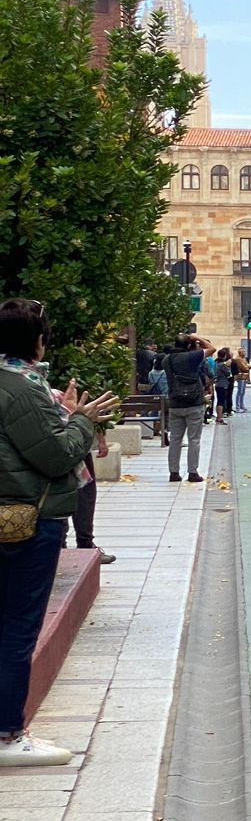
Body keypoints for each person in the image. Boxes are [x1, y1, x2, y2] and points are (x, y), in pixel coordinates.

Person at [0, 297, 119, 767]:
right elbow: (54, 456)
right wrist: (83, 421)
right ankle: (9, 734)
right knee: (18, 626)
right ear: (37, 341)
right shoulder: (22, 386)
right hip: (28, 519)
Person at [51, 383, 113, 566]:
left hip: (77, 444)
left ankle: (85, 543)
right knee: (60, 496)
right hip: (59, 445)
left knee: (85, 495)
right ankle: (61, 546)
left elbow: (90, 411)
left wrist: (100, 439)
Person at [162, 334, 209, 483]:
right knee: (194, 439)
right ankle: (192, 472)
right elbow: (211, 348)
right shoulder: (192, 357)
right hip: (194, 403)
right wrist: (196, 338)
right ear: (189, 345)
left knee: (175, 439)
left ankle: (174, 472)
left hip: (175, 403)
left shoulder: (166, 360)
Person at [213, 348, 236, 421]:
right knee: (221, 401)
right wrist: (228, 366)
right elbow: (229, 373)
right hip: (223, 384)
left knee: (219, 400)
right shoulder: (223, 365)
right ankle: (219, 417)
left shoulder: (216, 363)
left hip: (217, 384)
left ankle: (218, 416)